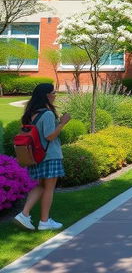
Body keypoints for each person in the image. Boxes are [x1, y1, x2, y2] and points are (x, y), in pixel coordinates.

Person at [14, 83, 71, 231]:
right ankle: (44, 221)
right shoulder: (47, 113)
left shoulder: (31, 113)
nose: (55, 95)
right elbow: (50, 136)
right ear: (47, 95)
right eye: (53, 92)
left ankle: (24, 214)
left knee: (40, 185)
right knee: (49, 188)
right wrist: (63, 123)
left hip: (36, 155)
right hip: (49, 155)